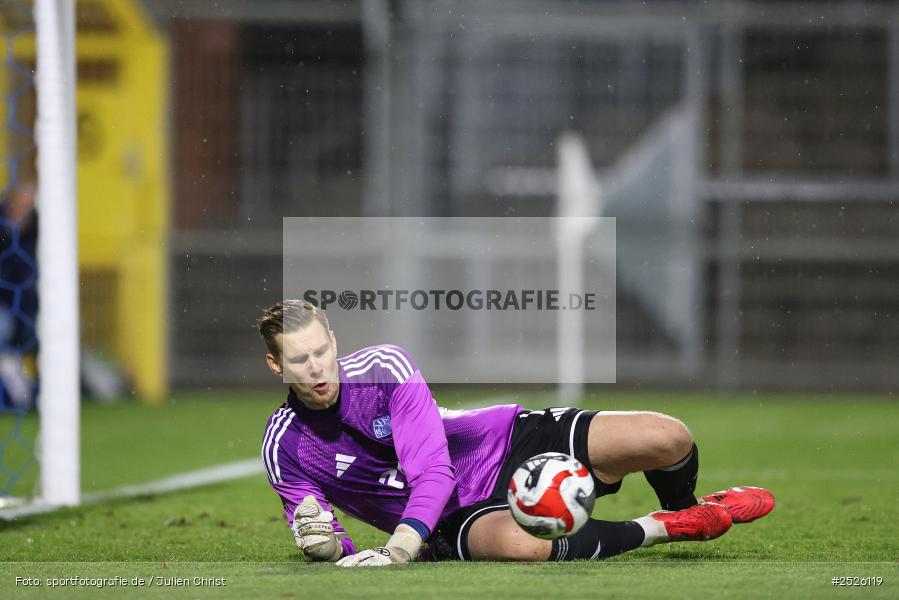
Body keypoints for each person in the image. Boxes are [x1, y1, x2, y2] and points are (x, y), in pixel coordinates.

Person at [257, 299, 774, 567]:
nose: (318, 368)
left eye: (322, 351)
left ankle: (687, 504)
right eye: (299, 360)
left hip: (501, 441)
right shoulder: (283, 447)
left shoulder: (385, 367)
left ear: (334, 340)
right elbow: (327, 537)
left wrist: (397, 550)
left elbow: (433, 471)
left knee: (667, 437)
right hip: (450, 519)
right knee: (528, 548)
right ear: (276, 365)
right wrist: (326, 548)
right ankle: (663, 526)